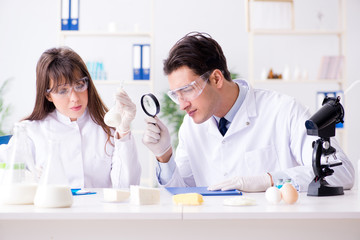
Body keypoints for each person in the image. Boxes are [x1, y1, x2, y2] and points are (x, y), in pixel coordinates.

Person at [142, 32, 354, 192]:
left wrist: (270, 180)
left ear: (216, 78)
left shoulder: (283, 110)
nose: (182, 105)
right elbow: (182, 192)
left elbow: (342, 172)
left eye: (187, 90)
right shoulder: (191, 126)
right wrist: (164, 156)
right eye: (176, 95)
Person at [0, 47, 141, 188]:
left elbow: (127, 187)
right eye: (62, 90)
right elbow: (7, 176)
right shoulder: (32, 131)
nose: (74, 98)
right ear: (48, 95)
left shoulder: (108, 129)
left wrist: (123, 131)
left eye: (79, 85)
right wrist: (30, 178)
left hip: (99, 209)